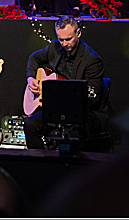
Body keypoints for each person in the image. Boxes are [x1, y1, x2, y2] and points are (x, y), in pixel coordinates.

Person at [22, 15, 107, 149]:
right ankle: (41, 165)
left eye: (69, 39)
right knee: (30, 125)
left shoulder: (92, 60)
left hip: (82, 110)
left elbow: (93, 96)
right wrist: (31, 78)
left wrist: (72, 96)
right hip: (55, 107)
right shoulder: (53, 48)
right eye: (61, 40)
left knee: (73, 130)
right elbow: (34, 58)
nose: (65, 44)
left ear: (78, 33)